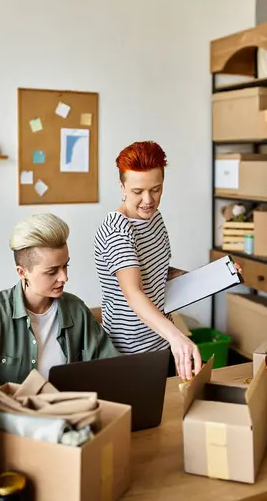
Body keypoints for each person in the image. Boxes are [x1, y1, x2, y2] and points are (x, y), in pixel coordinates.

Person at [94, 141, 240, 381]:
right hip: (129, 352)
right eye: (137, 192)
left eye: (156, 189)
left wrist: (216, 276)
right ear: (122, 187)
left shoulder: (153, 218)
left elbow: (156, 270)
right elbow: (134, 293)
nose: (148, 200)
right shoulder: (117, 231)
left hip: (160, 340)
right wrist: (177, 337)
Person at [0, 213, 118, 397]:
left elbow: (111, 368)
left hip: (70, 419)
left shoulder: (76, 310)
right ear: (22, 272)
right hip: (11, 422)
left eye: (65, 266)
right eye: (52, 271)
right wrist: (20, 398)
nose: (64, 277)